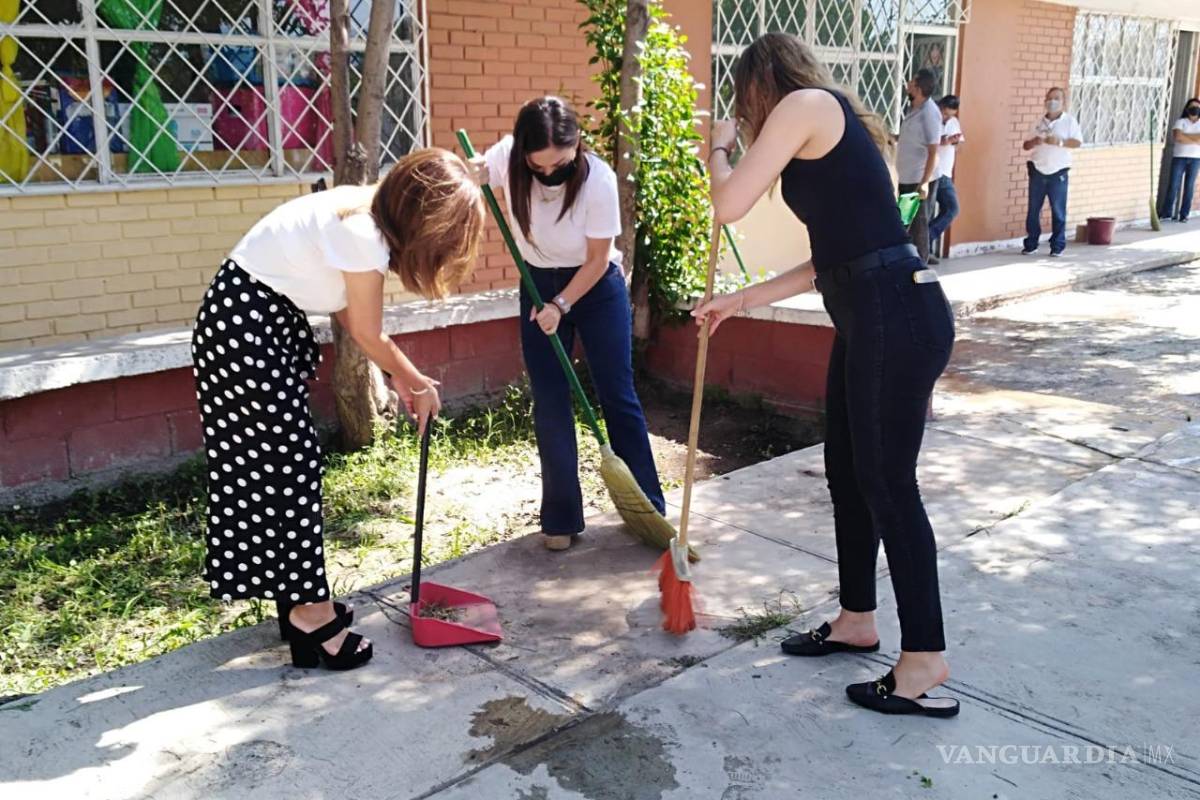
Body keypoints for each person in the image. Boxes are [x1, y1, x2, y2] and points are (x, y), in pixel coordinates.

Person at [694, 33, 958, 717]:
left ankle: (925, 658)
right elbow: (830, 258)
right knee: (848, 471)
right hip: (872, 312)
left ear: (758, 86)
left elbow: (726, 205)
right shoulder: (824, 125)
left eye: (743, 105)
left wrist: (719, 148)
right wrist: (740, 300)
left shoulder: (806, 106)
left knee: (889, 485)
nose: (746, 116)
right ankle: (857, 620)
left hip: (893, 314)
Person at [192, 149, 485, 671]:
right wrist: (414, 380)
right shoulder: (363, 232)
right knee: (291, 470)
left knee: (281, 470)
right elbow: (368, 331)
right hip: (245, 329)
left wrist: (405, 379)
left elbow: (354, 319)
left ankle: (298, 602)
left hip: (255, 323)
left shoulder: (364, 214)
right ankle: (310, 618)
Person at [470, 96, 666, 552]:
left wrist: (560, 305)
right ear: (524, 155)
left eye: (559, 163)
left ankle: (649, 507)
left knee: (617, 395)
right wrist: (473, 172)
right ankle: (561, 517)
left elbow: (598, 260)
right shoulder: (510, 158)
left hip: (595, 287)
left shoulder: (598, 180)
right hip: (537, 283)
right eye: (538, 167)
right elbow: (475, 171)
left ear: (577, 143)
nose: (548, 174)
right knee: (551, 400)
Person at [1021, 87, 1083, 256]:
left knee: (1058, 210)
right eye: (1049, 98)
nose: (1052, 102)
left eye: (1056, 98)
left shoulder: (1069, 122)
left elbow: (1077, 143)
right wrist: (1034, 141)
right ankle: (1031, 243)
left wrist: (1060, 142)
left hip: (1058, 171)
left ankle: (1057, 246)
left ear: (1063, 102)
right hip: (1038, 170)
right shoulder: (1038, 122)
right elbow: (1025, 145)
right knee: (1034, 209)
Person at [896, 68, 942, 265]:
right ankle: (908, 262)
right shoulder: (914, 108)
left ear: (919, 88)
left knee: (918, 226)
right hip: (907, 178)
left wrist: (924, 183)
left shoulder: (929, 113)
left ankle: (921, 267)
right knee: (905, 222)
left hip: (918, 181)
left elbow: (933, 150)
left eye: (911, 83)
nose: (907, 85)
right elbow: (911, 139)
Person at [927, 95, 963, 263]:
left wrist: (954, 142)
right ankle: (922, 246)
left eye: (951, 114)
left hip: (945, 173)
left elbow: (960, 145)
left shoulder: (953, 122)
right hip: (932, 171)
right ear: (940, 107)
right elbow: (930, 142)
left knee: (951, 209)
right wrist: (945, 140)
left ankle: (925, 241)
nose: (947, 117)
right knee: (928, 211)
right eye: (945, 113)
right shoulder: (931, 118)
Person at [1161, 98, 1200, 223]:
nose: (1195, 109)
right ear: (1187, 108)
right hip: (1179, 157)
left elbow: (1184, 137)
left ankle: (1184, 214)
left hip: (1195, 159)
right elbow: (1178, 137)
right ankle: (1167, 213)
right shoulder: (1180, 121)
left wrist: (1186, 136)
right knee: (1173, 185)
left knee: (1189, 187)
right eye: (1192, 106)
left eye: (1197, 107)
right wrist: (1195, 139)